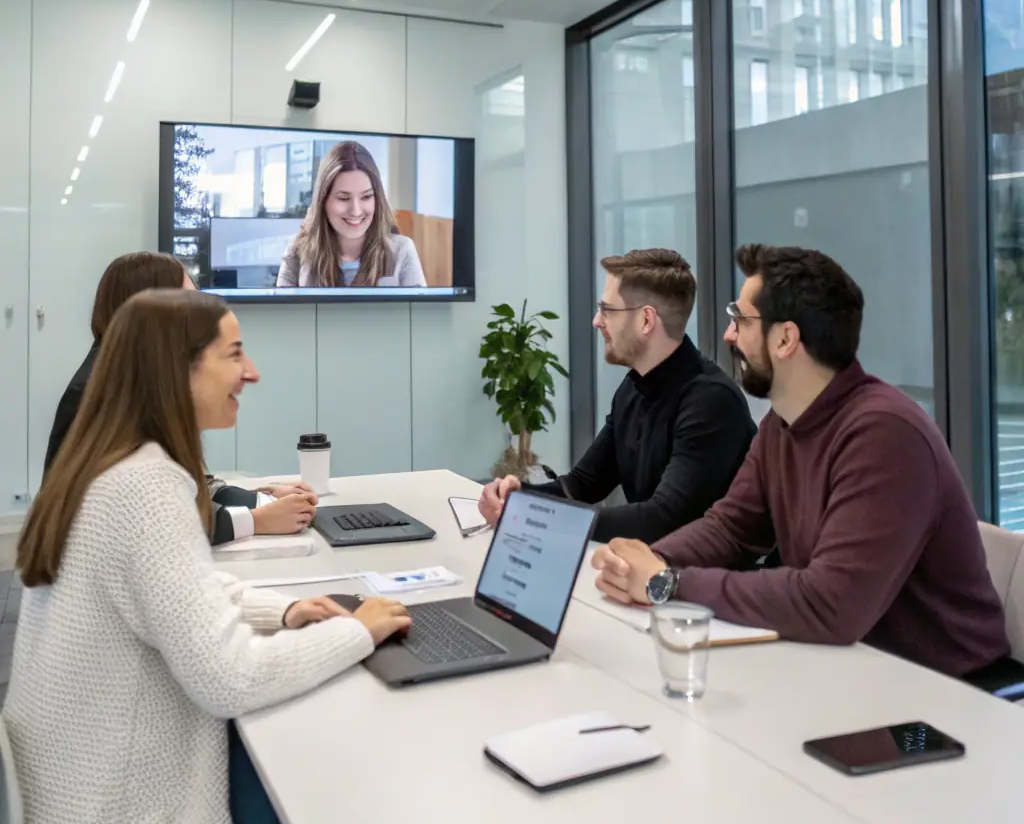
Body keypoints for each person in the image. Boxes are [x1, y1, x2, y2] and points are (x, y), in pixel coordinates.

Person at [6, 288, 411, 824]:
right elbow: (230, 678)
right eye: (234, 354)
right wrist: (358, 631)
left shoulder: (105, 466)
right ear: (179, 368)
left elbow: (175, 585)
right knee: (367, 790)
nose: (251, 372)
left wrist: (283, 612)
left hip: (71, 817)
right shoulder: (146, 487)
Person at [592, 244, 1011, 680]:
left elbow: (831, 601)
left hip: (946, 703)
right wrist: (642, 562)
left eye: (741, 320)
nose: (729, 336)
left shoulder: (885, 434)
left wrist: (668, 582)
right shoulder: (783, 424)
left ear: (786, 338)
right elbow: (730, 528)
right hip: (853, 671)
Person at [479, 249, 756, 545]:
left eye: (607, 310)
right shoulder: (634, 387)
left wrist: (540, 516)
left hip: (694, 584)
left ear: (646, 320)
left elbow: (664, 519)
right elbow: (582, 485)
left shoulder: (710, 401)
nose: (597, 321)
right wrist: (517, 497)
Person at [44, 251, 316, 542]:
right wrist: (253, 520)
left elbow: (184, 485)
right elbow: (146, 518)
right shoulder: (105, 392)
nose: (249, 374)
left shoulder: (140, 376)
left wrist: (255, 499)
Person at [276, 140, 426, 288]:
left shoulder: (402, 251)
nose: (356, 211)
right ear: (323, 201)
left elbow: (420, 312)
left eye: (366, 197)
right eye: (343, 198)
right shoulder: (296, 253)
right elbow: (283, 312)